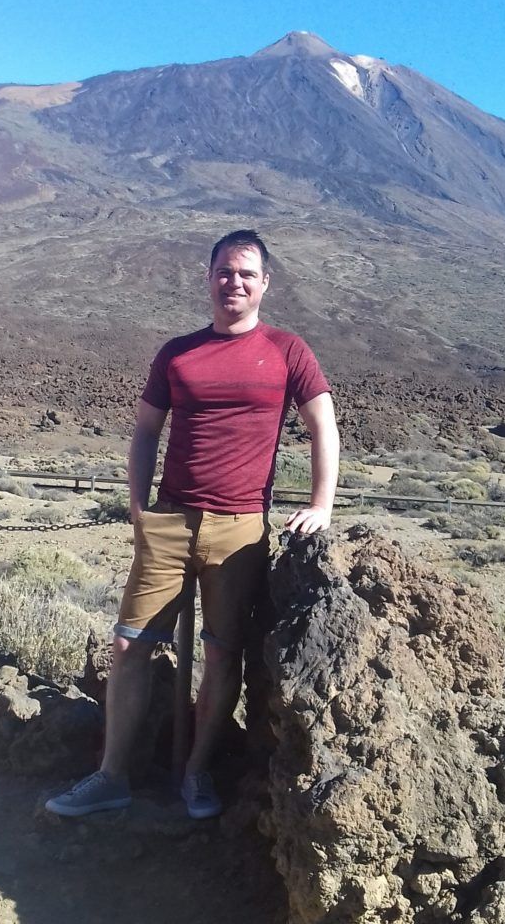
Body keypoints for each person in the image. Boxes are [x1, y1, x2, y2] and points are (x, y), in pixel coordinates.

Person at [45, 229, 339, 820]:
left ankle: (198, 772)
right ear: (209, 277)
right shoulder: (177, 353)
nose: (235, 282)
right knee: (130, 645)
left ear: (265, 284)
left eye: (247, 273)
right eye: (225, 271)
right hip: (172, 520)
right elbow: (146, 431)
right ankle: (112, 776)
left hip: (241, 530)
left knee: (222, 654)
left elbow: (322, 424)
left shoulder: (287, 350)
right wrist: (138, 507)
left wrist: (322, 503)